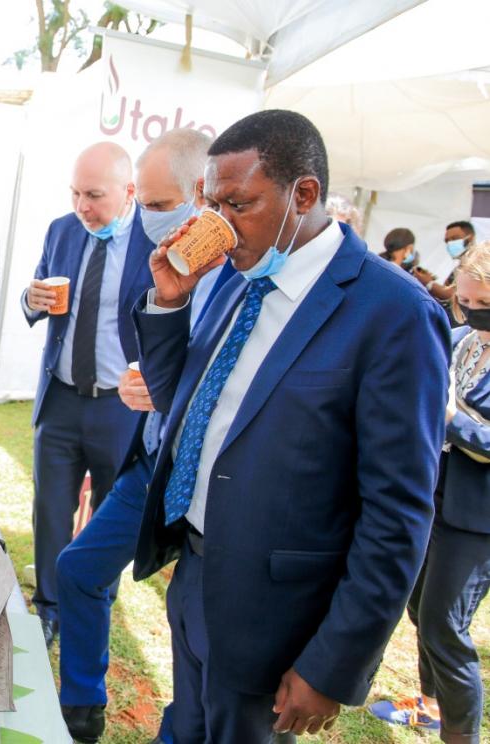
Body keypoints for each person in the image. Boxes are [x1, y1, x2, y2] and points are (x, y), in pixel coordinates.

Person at [131, 109, 450, 743]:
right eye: (212, 203)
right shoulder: (234, 276)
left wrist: (334, 665)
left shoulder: (394, 315)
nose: (217, 223)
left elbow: (398, 514)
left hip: (278, 621)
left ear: (303, 194)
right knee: (183, 728)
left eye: (237, 203)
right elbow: (178, 399)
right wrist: (171, 300)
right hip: (196, 578)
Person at [55, 128, 233, 744]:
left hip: (213, 489)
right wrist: (148, 381)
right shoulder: (174, 264)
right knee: (78, 568)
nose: (149, 223)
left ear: (203, 196)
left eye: (159, 208)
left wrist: (166, 390)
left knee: (200, 661)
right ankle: (82, 708)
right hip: (154, 462)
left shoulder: (241, 279)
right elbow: (169, 366)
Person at [22, 141, 156, 649]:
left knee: (110, 509)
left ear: (129, 191)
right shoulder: (61, 230)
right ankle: (50, 608)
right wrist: (30, 299)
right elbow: (37, 292)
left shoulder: (153, 238)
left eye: (94, 195)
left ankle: (96, 597)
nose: (83, 206)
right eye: (76, 193)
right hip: (60, 397)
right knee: (51, 507)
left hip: (121, 406)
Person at [369, 241, 490, 743]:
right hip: (433, 494)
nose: (469, 313)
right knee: (420, 605)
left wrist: (449, 418)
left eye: (481, 305)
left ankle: (461, 735)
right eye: (463, 302)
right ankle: (430, 703)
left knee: (444, 624)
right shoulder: (462, 339)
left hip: (478, 516)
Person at [414, 221, 478, 312]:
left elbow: (452, 295)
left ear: (470, 238)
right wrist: (431, 282)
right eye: (447, 241)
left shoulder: (479, 265)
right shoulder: (459, 268)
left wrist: (429, 283)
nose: (450, 244)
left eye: (454, 238)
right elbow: (446, 291)